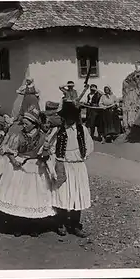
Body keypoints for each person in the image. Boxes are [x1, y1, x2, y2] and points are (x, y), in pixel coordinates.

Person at [0, 108, 55, 237]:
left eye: (27, 123)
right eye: (23, 123)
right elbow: (9, 150)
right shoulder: (18, 135)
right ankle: (18, 225)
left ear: (34, 124)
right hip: (19, 166)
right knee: (19, 196)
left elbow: (46, 155)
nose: (24, 126)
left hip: (35, 167)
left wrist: (45, 152)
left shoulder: (43, 137)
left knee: (33, 196)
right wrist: (14, 160)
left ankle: (33, 226)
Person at [49, 101, 94, 238]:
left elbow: (89, 145)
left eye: (71, 117)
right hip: (63, 165)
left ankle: (75, 225)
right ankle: (61, 223)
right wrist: (56, 161)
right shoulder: (58, 131)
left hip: (78, 166)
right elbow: (51, 146)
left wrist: (83, 156)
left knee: (77, 195)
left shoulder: (82, 130)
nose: (68, 120)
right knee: (63, 194)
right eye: (66, 117)